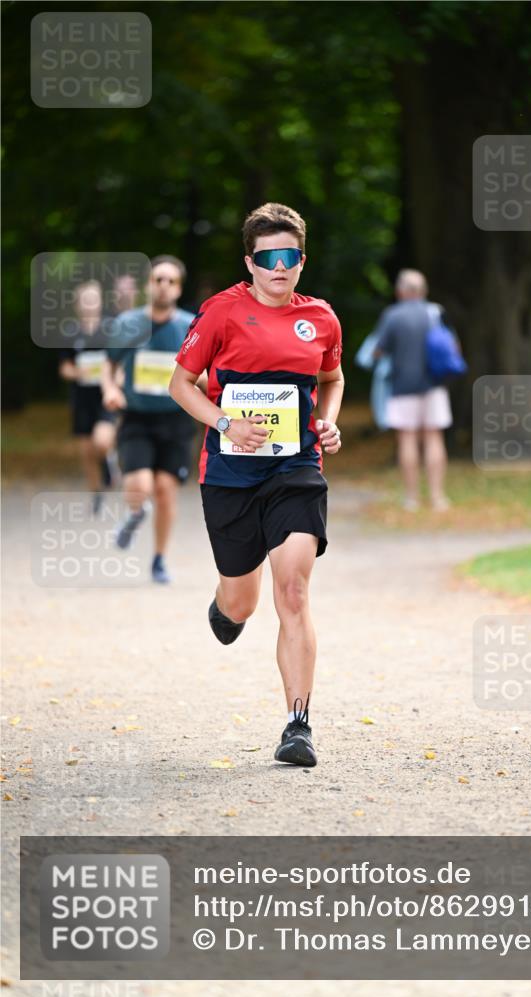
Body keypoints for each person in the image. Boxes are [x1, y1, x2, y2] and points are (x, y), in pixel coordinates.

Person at [169, 202, 344, 768]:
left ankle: (298, 725)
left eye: (288, 256)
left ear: (301, 260)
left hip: (295, 466)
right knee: (242, 601)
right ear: (250, 261)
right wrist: (223, 422)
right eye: (267, 257)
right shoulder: (221, 313)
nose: (279, 267)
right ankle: (227, 604)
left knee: (292, 589)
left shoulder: (320, 318)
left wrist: (329, 420)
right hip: (229, 473)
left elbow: (333, 377)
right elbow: (181, 383)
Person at [101, 256, 196, 583]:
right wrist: (110, 389)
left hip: (176, 419)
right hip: (137, 417)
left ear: (179, 288)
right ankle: (136, 513)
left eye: (170, 281)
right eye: (158, 279)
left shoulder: (190, 326)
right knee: (140, 486)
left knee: (166, 490)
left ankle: (159, 559)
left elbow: (208, 374)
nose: (163, 285)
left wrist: (194, 384)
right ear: (148, 284)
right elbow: (108, 365)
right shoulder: (127, 323)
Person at [374, 269, 452, 511]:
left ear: (400, 291)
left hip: (402, 386)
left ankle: (411, 498)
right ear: (423, 291)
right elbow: (453, 347)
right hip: (434, 385)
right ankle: (438, 497)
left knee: (407, 439)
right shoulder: (435, 312)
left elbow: (378, 351)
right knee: (434, 438)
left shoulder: (393, 316)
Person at [58, 280, 117, 508]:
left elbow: (119, 362)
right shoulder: (70, 332)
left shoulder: (111, 328)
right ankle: (96, 493)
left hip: (105, 396)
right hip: (81, 398)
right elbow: (64, 367)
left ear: (100, 302)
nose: (89, 303)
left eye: (93, 298)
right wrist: (76, 372)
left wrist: (113, 378)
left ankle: (109, 461)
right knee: (87, 451)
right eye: (85, 299)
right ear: (77, 304)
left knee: (101, 441)